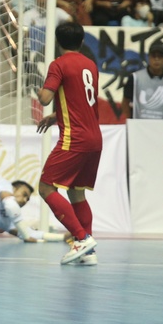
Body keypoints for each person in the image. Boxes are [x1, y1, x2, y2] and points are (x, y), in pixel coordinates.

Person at [35, 22, 100, 265]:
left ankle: (81, 238)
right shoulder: (90, 65)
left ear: (57, 42)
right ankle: (88, 252)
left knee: (46, 187)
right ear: (82, 42)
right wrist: (56, 116)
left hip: (74, 138)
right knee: (76, 192)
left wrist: (40, 87)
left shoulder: (58, 64)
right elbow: (82, 99)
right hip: (94, 138)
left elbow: (45, 98)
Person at [121, 40, 163, 120]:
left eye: (160, 56)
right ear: (148, 57)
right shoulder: (135, 78)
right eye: (153, 55)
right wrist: (130, 122)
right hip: (139, 127)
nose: (156, 59)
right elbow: (125, 102)